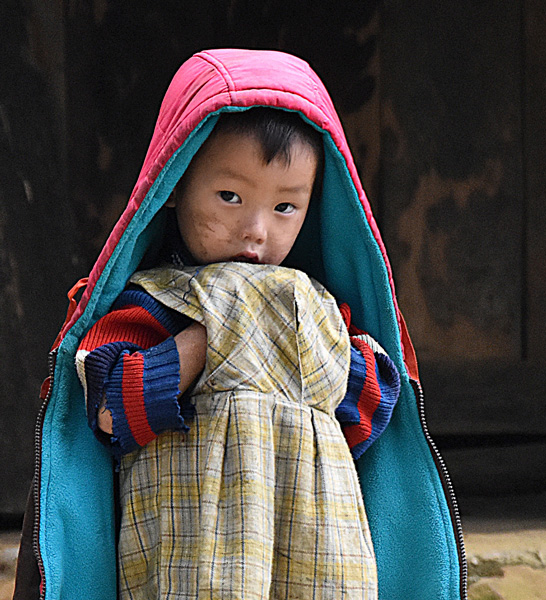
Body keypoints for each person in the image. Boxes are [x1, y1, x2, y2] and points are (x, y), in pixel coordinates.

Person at [15, 49, 466, 600]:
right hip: (188, 565)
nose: (255, 231)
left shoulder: (316, 309)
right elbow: (110, 412)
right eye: (230, 197)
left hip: (316, 565)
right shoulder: (154, 304)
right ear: (175, 184)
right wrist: (215, 340)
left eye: (285, 208)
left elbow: (370, 415)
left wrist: (302, 344)